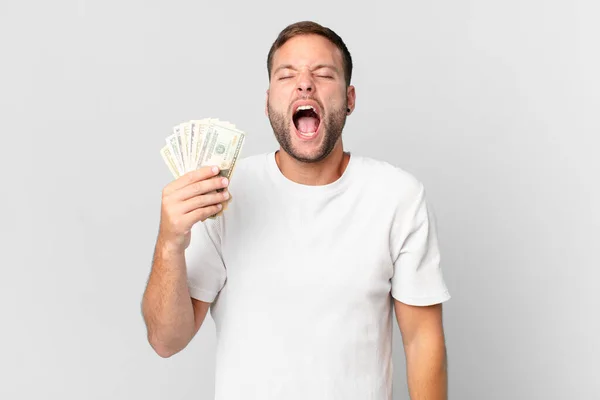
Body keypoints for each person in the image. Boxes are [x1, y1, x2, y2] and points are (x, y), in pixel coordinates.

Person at [142, 20, 451, 400]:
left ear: (350, 99)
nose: (305, 83)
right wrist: (169, 243)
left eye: (323, 74)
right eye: (287, 75)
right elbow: (165, 340)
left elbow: (423, 342)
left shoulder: (398, 197)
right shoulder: (223, 193)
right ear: (269, 100)